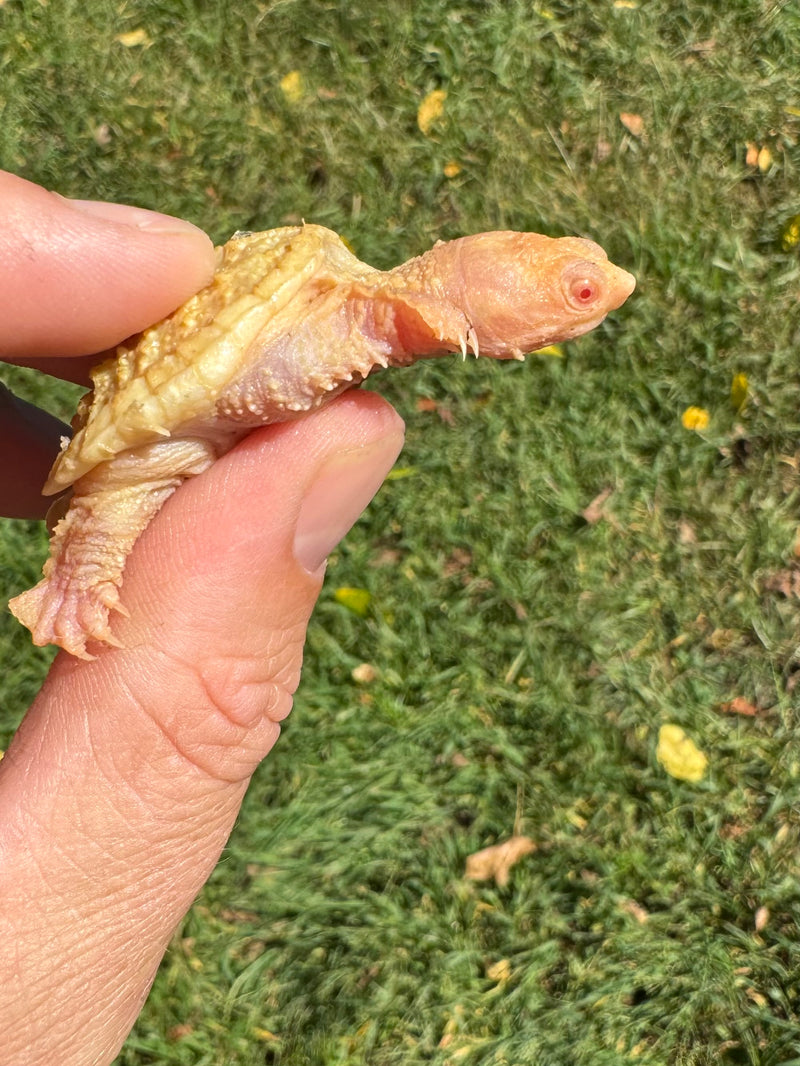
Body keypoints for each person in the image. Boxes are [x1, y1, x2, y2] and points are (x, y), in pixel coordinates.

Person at [0, 171, 405, 1065]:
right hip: (143, 441)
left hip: (180, 404)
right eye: (579, 290)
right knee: (99, 543)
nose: (607, 293)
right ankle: (71, 582)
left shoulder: (344, 299)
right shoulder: (334, 294)